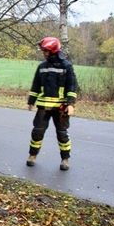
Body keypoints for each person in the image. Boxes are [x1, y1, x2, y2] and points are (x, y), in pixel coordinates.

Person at [26, 37, 78, 171]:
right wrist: (31, 101)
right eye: (43, 51)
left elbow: (72, 86)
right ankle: (32, 155)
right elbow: (36, 85)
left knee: (62, 133)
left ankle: (65, 159)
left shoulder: (66, 66)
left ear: (53, 50)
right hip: (43, 106)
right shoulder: (42, 66)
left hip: (60, 107)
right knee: (37, 132)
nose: (44, 53)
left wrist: (70, 104)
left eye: (46, 51)